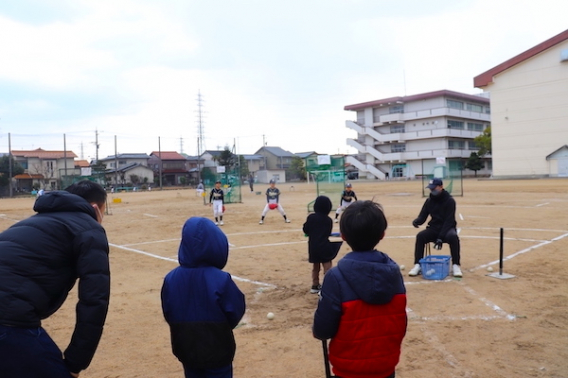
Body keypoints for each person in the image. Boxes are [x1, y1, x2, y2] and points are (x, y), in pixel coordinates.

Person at [0, 180, 110, 378]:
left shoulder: (29, 222)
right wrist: (76, 363)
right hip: (9, 319)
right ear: (96, 208)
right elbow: (94, 301)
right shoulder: (89, 228)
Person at [313, 200, 407, 378]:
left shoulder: (335, 277)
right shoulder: (394, 273)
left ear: (343, 236)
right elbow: (401, 322)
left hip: (347, 369)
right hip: (385, 366)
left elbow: (322, 330)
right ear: (382, 234)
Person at [161, 217, 246, 378]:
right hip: (218, 348)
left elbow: (168, 311)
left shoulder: (171, 279)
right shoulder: (221, 279)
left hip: (186, 347)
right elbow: (235, 310)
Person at [408, 178, 462, 277]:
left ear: (441, 187)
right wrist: (417, 221)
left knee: (453, 237)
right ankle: (418, 264)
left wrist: (440, 237)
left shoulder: (450, 201)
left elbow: (449, 221)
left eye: (434, 188)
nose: (432, 190)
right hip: (434, 228)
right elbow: (423, 215)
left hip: (447, 228)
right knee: (420, 236)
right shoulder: (429, 201)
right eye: (431, 189)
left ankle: (456, 265)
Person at [302, 196, 342, 294]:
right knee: (327, 266)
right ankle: (326, 286)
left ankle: (315, 285)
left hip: (313, 247)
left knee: (316, 267)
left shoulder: (311, 217)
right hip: (324, 245)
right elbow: (328, 232)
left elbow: (305, 229)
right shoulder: (328, 220)